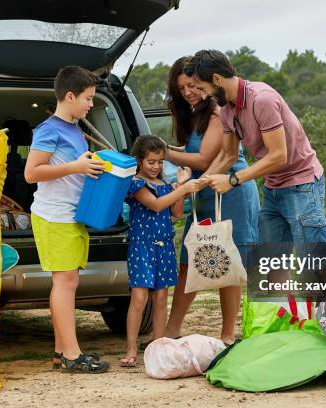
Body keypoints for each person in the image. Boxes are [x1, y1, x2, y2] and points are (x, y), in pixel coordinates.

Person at [186, 50, 326, 249]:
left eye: (202, 88)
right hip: (273, 188)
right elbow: (229, 154)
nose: (202, 95)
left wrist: (232, 180)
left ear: (217, 79)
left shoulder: (262, 99)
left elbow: (279, 156)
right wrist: (199, 184)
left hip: (301, 185)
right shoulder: (227, 110)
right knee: (272, 264)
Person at [162, 57, 259, 345]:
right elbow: (193, 152)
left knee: (225, 262)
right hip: (203, 190)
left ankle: (227, 335)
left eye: (192, 85)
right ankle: (171, 330)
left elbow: (203, 159)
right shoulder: (190, 114)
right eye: (181, 88)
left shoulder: (217, 113)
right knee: (190, 260)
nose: (188, 92)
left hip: (231, 192)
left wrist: (162, 151)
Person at [24, 65, 110, 373]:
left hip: (71, 215)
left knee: (68, 281)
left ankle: (62, 352)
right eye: (87, 98)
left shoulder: (75, 127)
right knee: (65, 282)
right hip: (54, 215)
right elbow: (31, 173)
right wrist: (76, 167)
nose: (90, 104)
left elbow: (76, 167)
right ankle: (72, 355)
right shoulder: (49, 129)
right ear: (70, 96)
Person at [119, 135, 201, 367]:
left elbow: (175, 212)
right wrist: (182, 187)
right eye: (151, 162)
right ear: (140, 161)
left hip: (164, 246)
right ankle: (132, 349)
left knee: (162, 297)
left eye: (160, 162)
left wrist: (180, 188)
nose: (156, 166)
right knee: (139, 297)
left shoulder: (165, 186)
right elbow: (156, 205)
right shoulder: (136, 184)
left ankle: (158, 347)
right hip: (142, 246)